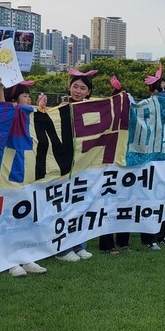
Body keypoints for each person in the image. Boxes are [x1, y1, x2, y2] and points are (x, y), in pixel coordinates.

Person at [3, 81, 48, 277]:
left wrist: (40, 109)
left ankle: (25, 256)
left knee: (24, 217)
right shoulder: (8, 115)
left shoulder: (28, 115)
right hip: (10, 174)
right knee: (9, 218)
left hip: (27, 173)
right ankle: (9, 260)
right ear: (13, 100)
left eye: (29, 95)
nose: (28, 98)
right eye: (24, 95)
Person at [54, 68, 97, 262]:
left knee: (82, 205)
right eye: (75, 87)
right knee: (64, 206)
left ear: (88, 92)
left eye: (82, 88)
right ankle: (62, 249)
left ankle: (80, 245)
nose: (78, 91)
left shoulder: (94, 110)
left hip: (85, 164)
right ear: (69, 88)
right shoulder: (60, 108)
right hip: (63, 165)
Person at [140, 65, 165, 249]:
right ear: (152, 92)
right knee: (151, 198)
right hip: (152, 160)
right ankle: (149, 238)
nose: (163, 92)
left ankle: (163, 235)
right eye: (159, 89)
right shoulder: (145, 107)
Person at [98, 76, 132, 254]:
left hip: (125, 166)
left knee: (124, 203)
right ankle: (107, 243)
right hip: (109, 165)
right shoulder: (106, 119)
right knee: (108, 205)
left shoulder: (131, 121)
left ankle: (123, 241)